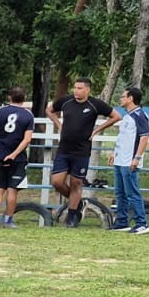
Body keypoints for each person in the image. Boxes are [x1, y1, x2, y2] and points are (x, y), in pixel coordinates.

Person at [46, 78, 119, 227]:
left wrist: (97, 130)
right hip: (64, 149)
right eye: (75, 88)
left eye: (80, 88)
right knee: (57, 182)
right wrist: (59, 125)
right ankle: (79, 203)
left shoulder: (95, 104)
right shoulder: (66, 101)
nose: (76, 91)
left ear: (87, 90)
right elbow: (49, 110)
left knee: (76, 183)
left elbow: (116, 116)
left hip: (82, 150)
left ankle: (72, 217)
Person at [100, 87, 149, 233]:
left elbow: (144, 137)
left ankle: (142, 223)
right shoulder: (128, 116)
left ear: (130, 98)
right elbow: (123, 138)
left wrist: (137, 158)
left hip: (129, 161)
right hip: (120, 160)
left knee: (132, 193)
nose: (121, 99)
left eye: (123, 96)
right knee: (120, 193)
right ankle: (122, 221)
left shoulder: (140, 115)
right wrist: (114, 153)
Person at [0, 87, 35, 228]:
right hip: (17, 158)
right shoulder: (28, 115)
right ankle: (8, 220)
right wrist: (14, 154)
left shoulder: (0, 112)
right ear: (24, 98)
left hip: (0, 154)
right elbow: (27, 139)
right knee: (13, 189)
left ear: (9, 97)